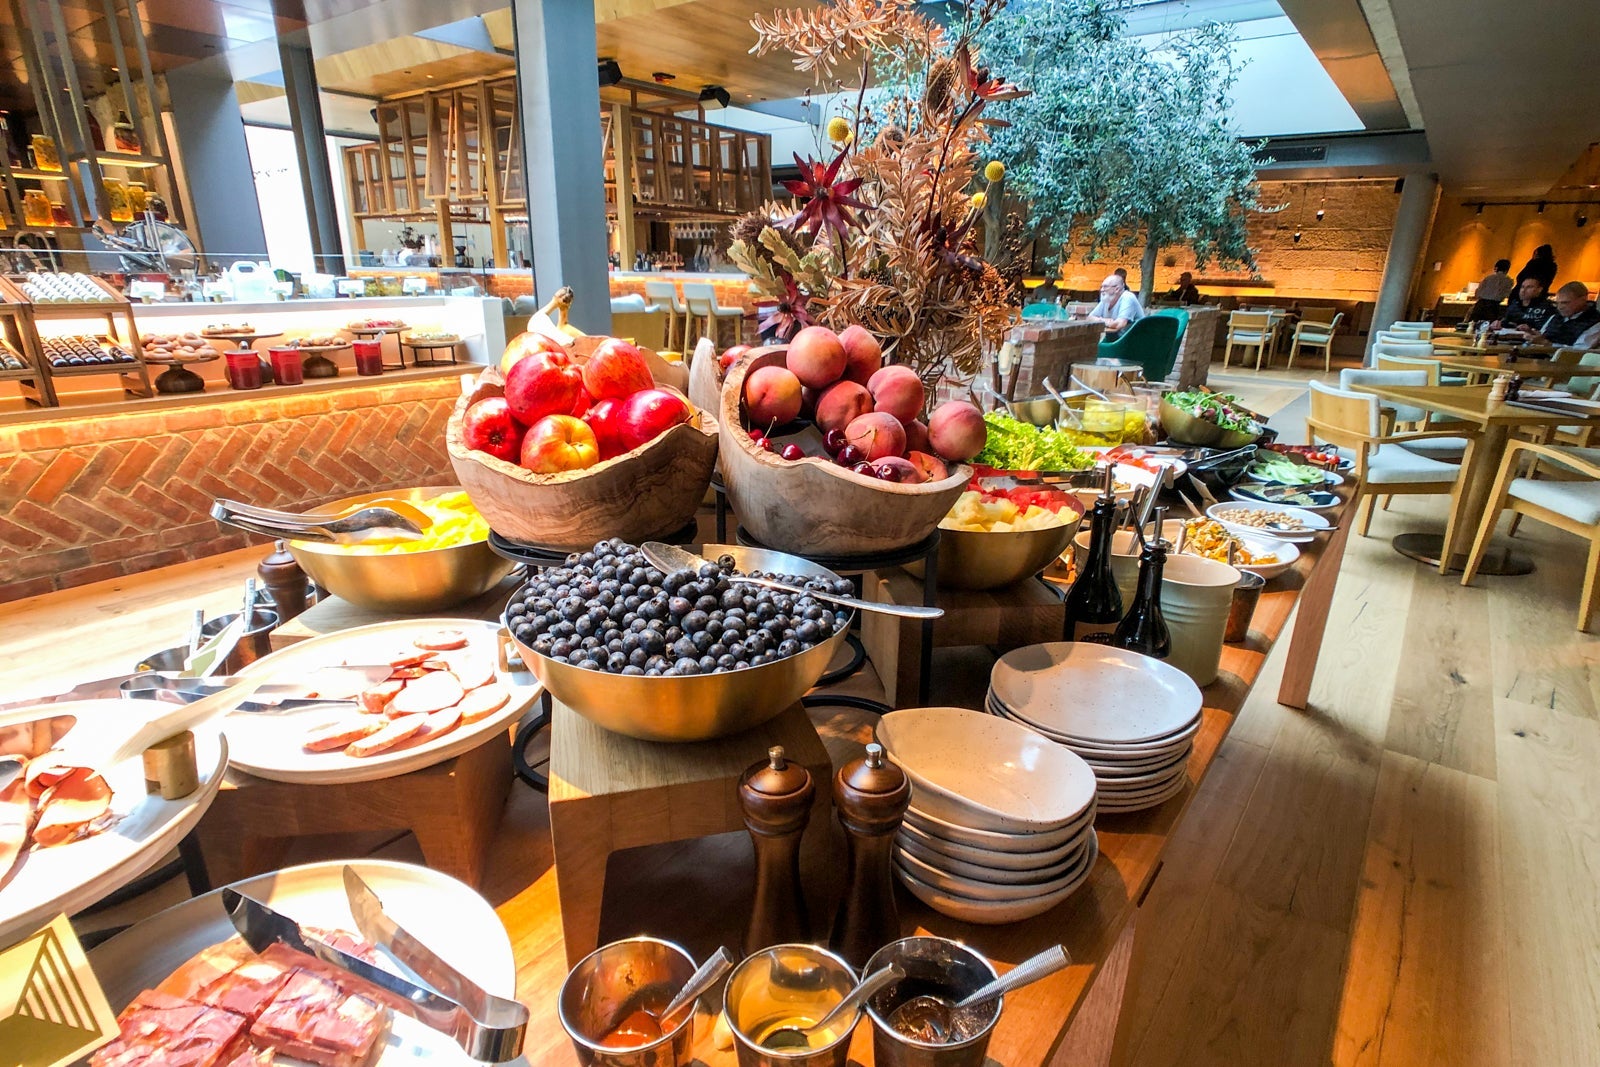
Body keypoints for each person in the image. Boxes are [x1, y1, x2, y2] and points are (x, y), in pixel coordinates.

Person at [1525, 281, 1600, 348]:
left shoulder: (1595, 322)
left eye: (1565, 303)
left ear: (1582, 300)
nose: (1560, 307)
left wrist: (1547, 344)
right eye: (1557, 303)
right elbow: (1541, 337)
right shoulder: (1555, 317)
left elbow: (1579, 351)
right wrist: (1533, 336)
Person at [1087, 273, 1144, 339]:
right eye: (1101, 287)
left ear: (1117, 289)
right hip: (1117, 339)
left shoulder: (1127, 297)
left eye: (1105, 287)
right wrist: (1104, 320)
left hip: (1134, 340)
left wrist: (1102, 321)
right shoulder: (1106, 299)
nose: (1102, 290)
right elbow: (1090, 318)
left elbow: (1120, 324)